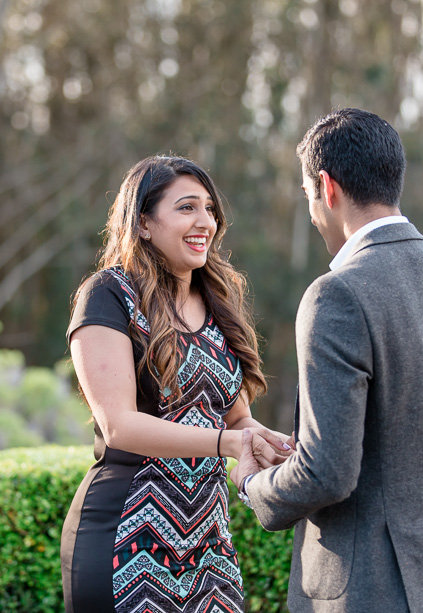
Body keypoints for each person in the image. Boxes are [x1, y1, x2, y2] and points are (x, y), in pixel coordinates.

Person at [230, 108, 423, 613]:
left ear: (327, 187)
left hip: (370, 594)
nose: (313, 213)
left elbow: (328, 474)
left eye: (308, 197)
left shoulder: (335, 296)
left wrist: (255, 485)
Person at [61, 155, 291, 613]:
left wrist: (268, 441)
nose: (205, 220)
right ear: (143, 222)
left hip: (208, 543)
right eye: (187, 207)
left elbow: (234, 415)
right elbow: (120, 426)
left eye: (209, 208)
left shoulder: (217, 301)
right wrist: (230, 442)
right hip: (126, 534)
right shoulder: (109, 295)